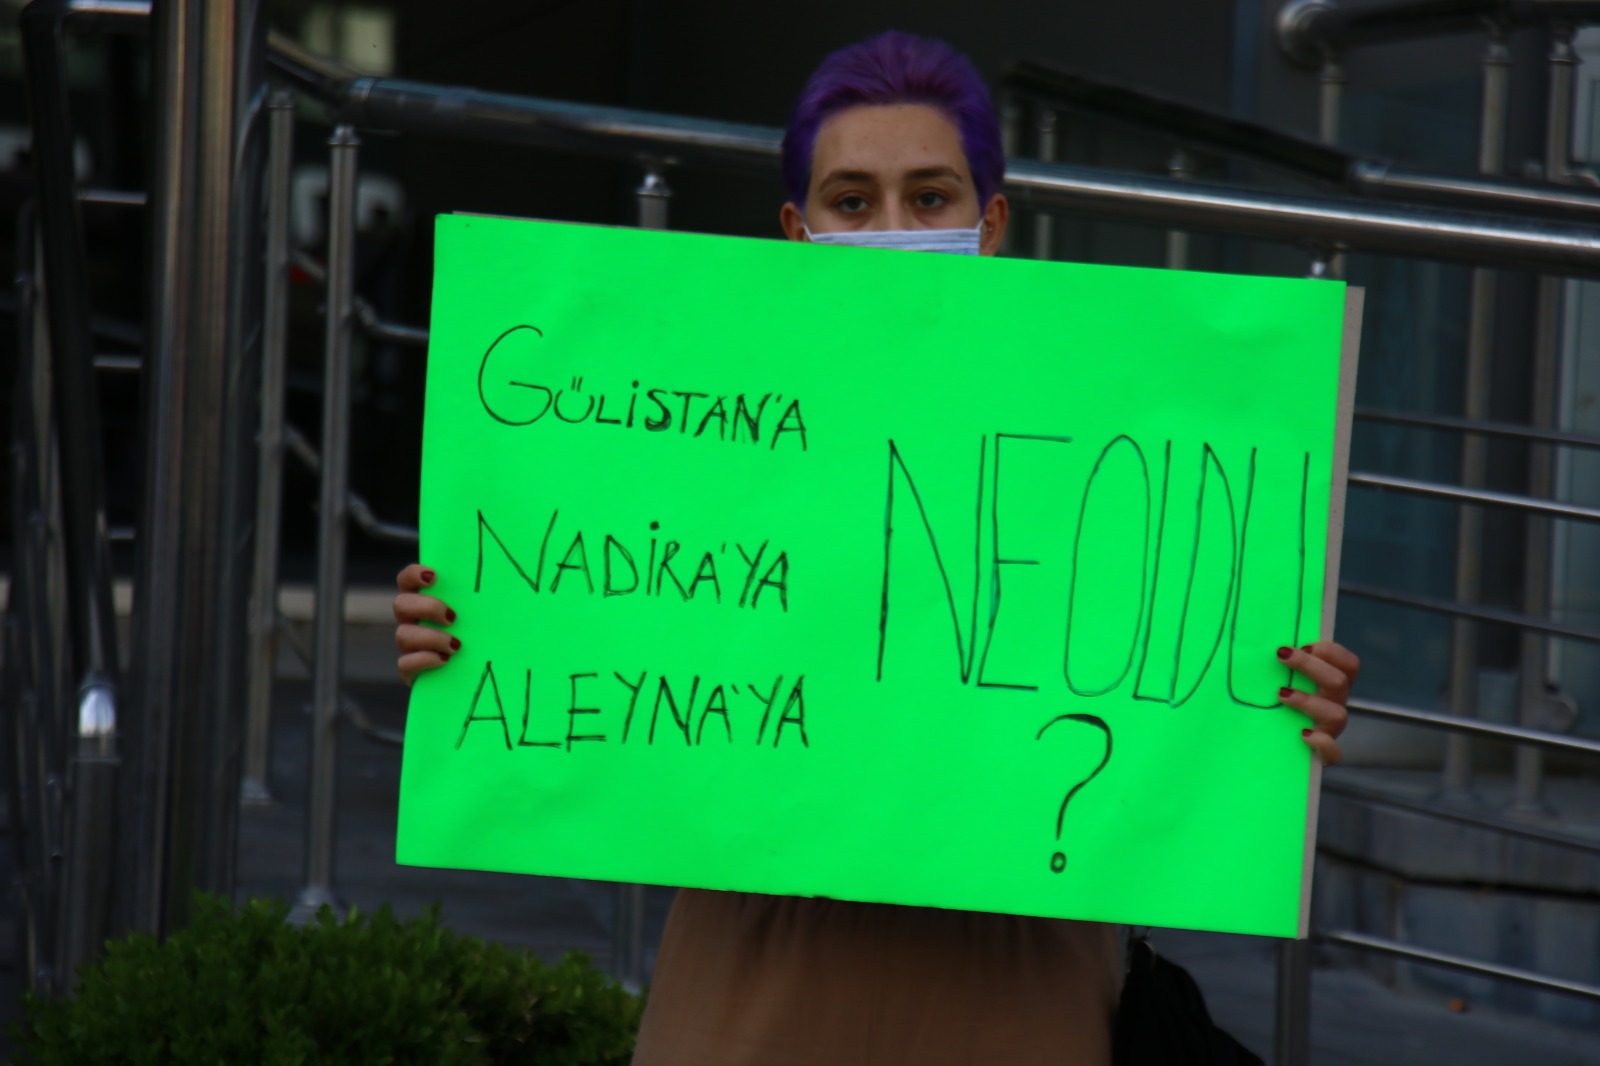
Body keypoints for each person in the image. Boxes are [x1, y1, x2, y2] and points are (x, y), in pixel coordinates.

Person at [393, 30, 1359, 1066]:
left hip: (1016, 983)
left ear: (990, 224)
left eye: (929, 197)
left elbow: (1181, 678)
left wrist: (1277, 704)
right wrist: (471, 632)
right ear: (798, 231)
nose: (894, 227)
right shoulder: (695, 429)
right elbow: (590, 607)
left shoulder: (1109, 421)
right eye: (852, 202)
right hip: (758, 972)